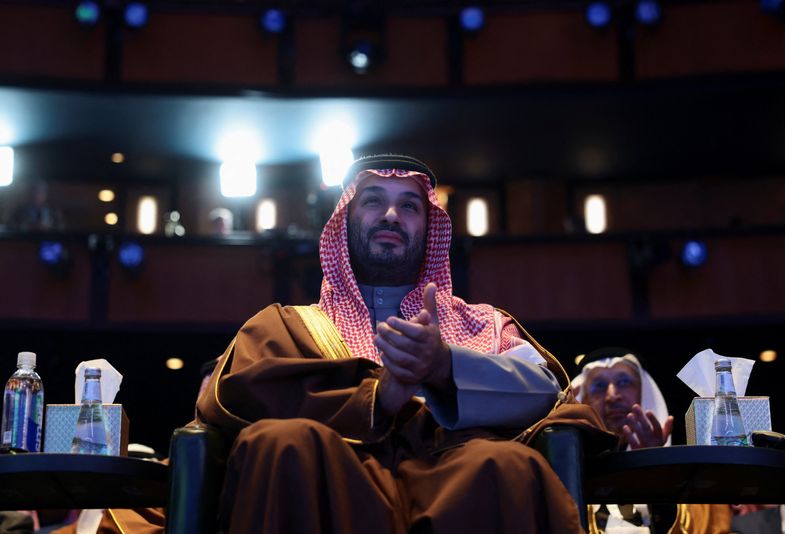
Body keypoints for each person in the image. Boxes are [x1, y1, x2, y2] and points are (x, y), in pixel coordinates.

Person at [99, 154, 612, 533]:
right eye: (373, 202)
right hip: (331, 477)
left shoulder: (481, 323)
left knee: (505, 466)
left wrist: (442, 366)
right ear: (344, 223)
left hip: (452, 477)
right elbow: (235, 397)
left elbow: (545, 391)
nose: (391, 216)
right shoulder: (288, 327)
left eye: (409, 206)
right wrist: (377, 397)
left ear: (428, 227)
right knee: (283, 445)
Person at [572, 347, 731, 534]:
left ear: (644, 393)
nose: (612, 395)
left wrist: (655, 470)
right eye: (599, 385)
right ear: (584, 399)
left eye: (624, 382)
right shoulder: (568, 479)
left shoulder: (690, 478)